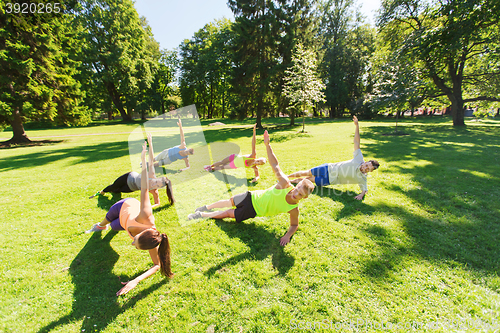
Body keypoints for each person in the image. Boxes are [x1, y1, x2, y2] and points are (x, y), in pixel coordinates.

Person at [188, 130, 315, 246]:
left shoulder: (293, 209)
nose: (295, 193)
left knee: (228, 213)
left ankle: (201, 214)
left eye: (299, 195)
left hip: (253, 211)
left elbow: (294, 225)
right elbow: (275, 164)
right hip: (250, 196)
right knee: (228, 201)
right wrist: (267, 145)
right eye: (297, 189)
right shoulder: (284, 183)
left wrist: (287, 236)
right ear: (296, 185)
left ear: (304, 197)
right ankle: (207, 207)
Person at [85, 141, 173, 296]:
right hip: (123, 207)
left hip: (125, 223)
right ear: (142, 233)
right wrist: (144, 159)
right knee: (107, 221)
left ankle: (107, 226)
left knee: (113, 227)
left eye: (135, 244)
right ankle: (99, 226)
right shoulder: (145, 216)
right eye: (135, 240)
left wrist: (136, 280)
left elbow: (156, 265)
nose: (132, 242)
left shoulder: (152, 242)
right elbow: (145, 188)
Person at [288, 116, 379, 200]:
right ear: (365, 162)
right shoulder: (359, 159)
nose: (365, 168)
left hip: (330, 180)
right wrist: (357, 126)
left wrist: (361, 195)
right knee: (307, 172)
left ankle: (291, 181)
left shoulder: (362, 178)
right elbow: (356, 142)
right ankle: (286, 177)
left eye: (368, 169)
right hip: (328, 167)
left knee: (309, 179)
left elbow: (364, 190)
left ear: (370, 171)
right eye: (366, 165)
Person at [89, 134, 175, 206]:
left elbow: (157, 203)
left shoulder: (154, 191)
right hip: (129, 177)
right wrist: (150, 144)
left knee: (117, 191)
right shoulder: (151, 175)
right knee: (114, 186)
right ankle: (102, 192)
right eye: (156, 182)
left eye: (157, 185)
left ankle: (113, 191)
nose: (154, 184)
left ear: (159, 187)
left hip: (131, 187)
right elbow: (151, 159)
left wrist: (150, 207)